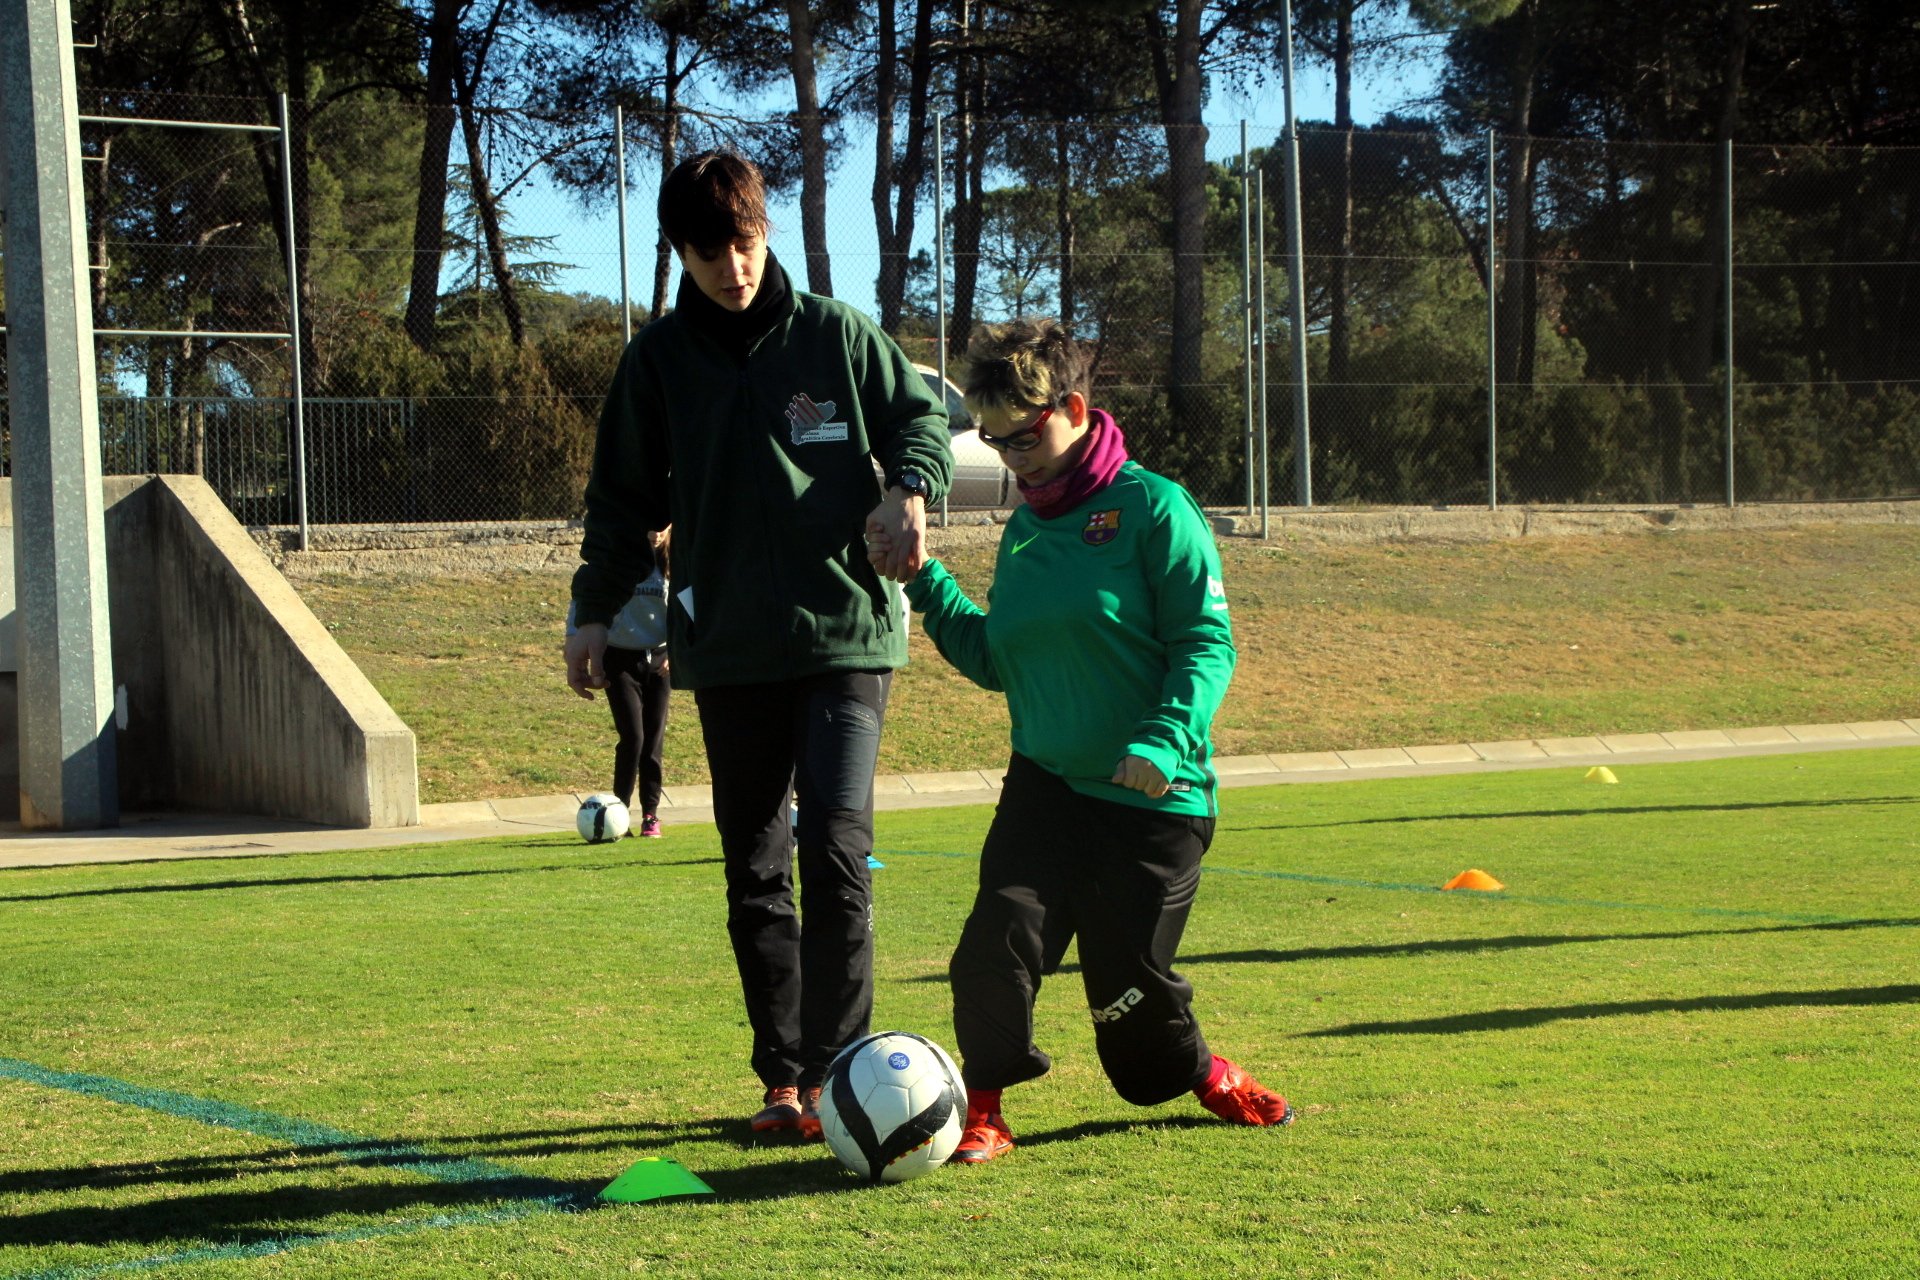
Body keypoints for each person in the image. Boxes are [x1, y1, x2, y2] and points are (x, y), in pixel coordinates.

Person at [564, 150, 952, 1138]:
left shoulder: (834, 336)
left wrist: (909, 487)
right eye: (709, 252)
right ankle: (785, 1080)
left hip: (845, 636)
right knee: (756, 865)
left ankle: (839, 1075)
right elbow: (620, 503)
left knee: (835, 847)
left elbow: (921, 419)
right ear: (680, 253)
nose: (733, 268)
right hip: (728, 649)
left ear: (764, 231)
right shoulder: (656, 365)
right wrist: (591, 610)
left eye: (745, 244)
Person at [869, 317, 1294, 1165]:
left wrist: (1166, 739)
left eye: (1023, 435)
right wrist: (928, 581)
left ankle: (1204, 1070)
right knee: (993, 946)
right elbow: (1000, 660)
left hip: (1150, 799)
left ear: (1072, 406)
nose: (1011, 456)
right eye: (993, 441)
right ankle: (984, 1111)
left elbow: (1207, 644)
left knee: (1132, 1016)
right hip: (1046, 786)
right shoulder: (1027, 528)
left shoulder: (1153, 508)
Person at [602, 528, 672, 836]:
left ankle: (650, 814)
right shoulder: (623, 556)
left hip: (659, 661)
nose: (655, 532)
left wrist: (677, 650)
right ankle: (618, 812)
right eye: (649, 525)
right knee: (633, 737)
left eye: (662, 525)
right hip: (621, 659)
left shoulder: (675, 561)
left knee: (653, 740)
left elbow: (687, 609)